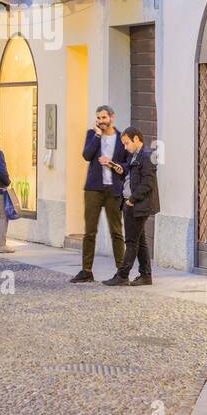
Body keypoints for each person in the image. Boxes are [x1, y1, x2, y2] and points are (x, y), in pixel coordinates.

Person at [71, 105, 129, 283]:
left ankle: (121, 272)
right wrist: (96, 135)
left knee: (116, 232)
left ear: (112, 118)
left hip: (113, 190)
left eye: (104, 118)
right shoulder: (92, 134)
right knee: (90, 231)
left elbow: (126, 166)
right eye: (98, 118)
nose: (101, 121)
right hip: (94, 189)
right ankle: (86, 271)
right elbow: (87, 155)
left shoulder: (121, 138)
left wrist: (111, 164)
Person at [103, 127, 159, 287]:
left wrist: (132, 200)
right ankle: (145, 275)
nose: (125, 147)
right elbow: (130, 176)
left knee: (131, 241)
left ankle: (122, 275)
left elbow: (148, 183)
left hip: (137, 205)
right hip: (132, 203)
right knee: (140, 241)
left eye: (127, 143)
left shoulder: (147, 156)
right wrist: (119, 170)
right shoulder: (134, 156)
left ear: (136, 139)